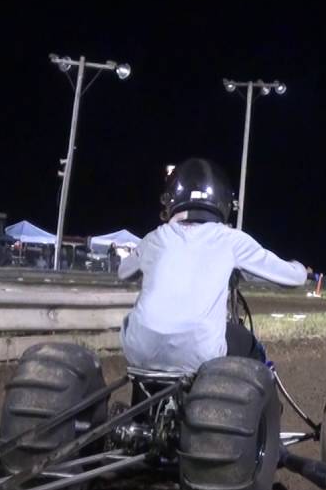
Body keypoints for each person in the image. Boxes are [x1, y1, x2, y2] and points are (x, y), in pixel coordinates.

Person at [117, 157, 311, 373]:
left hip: (139, 350)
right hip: (200, 354)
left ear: (171, 200)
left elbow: (123, 272)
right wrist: (300, 268)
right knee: (247, 342)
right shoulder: (230, 239)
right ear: (223, 203)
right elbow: (293, 278)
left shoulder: (154, 238)